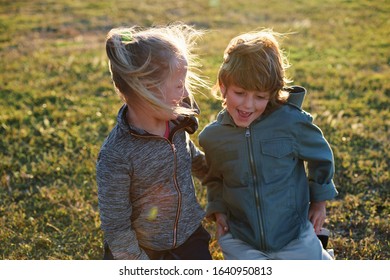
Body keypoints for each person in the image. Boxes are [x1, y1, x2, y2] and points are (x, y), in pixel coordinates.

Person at [199, 29, 338, 260]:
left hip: (292, 232)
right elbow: (214, 179)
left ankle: (321, 255)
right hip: (242, 237)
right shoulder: (213, 138)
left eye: (260, 97)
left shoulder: (290, 122)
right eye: (240, 93)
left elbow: (321, 156)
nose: (248, 105)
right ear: (223, 86)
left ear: (272, 94)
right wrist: (218, 209)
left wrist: (319, 201)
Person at [96, 23, 212, 260]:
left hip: (188, 237)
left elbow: (192, 157)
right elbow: (116, 227)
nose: (186, 94)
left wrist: (218, 175)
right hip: (144, 250)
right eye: (179, 85)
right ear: (147, 91)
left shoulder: (176, 126)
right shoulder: (117, 155)